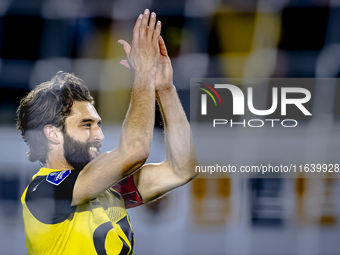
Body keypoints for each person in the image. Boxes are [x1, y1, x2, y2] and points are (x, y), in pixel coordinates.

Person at [17, 9, 198, 255]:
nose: (99, 136)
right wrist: (143, 72)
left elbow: (181, 169)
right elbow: (135, 151)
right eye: (86, 125)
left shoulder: (107, 189)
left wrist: (164, 89)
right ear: (52, 134)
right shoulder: (44, 192)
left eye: (97, 124)